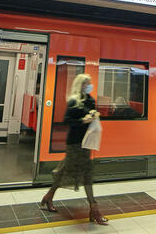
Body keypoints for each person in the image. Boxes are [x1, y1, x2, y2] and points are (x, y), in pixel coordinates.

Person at [39, 73, 108, 225]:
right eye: (86, 83)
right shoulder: (73, 100)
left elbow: (92, 114)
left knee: (67, 171)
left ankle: (48, 196)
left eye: (89, 83)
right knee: (86, 173)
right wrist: (83, 120)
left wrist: (94, 115)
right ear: (80, 85)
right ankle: (94, 210)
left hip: (86, 142)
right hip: (75, 143)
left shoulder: (90, 100)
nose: (89, 86)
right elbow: (67, 120)